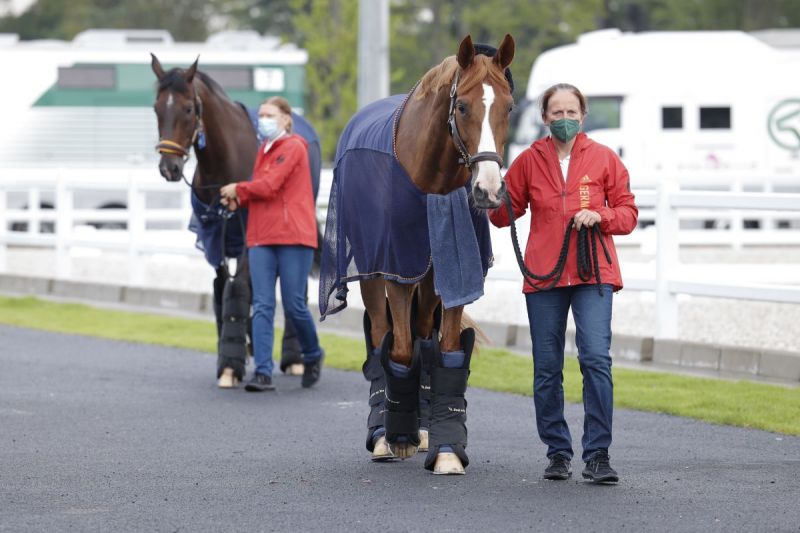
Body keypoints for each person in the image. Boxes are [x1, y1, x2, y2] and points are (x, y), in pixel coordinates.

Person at [489, 83, 637, 483]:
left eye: (572, 112)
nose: (565, 119)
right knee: (547, 367)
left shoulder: (604, 159)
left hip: (593, 274)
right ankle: (557, 450)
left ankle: (598, 453)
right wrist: (490, 188)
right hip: (545, 276)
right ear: (545, 117)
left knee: (595, 359)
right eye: (557, 113)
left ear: (583, 116)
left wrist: (601, 215)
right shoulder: (529, 160)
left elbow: (628, 214)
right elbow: (504, 216)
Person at [220, 96, 324, 392]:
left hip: (293, 237)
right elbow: (261, 190)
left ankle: (313, 353)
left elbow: (270, 185)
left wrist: (238, 189)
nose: (262, 120)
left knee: (293, 305)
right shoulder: (263, 152)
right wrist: (238, 199)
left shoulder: (293, 147)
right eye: (261, 115)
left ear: (286, 120)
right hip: (262, 237)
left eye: (269, 115)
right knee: (263, 305)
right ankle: (263, 372)